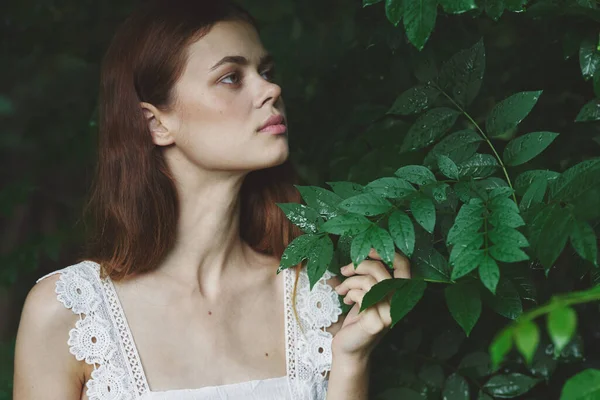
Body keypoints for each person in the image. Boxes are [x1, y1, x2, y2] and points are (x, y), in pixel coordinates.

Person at [12, 0, 411, 399]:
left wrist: (352, 359)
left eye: (266, 72)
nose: (271, 89)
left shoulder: (314, 296)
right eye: (231, 77)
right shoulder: (68, 313)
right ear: (157, 123)